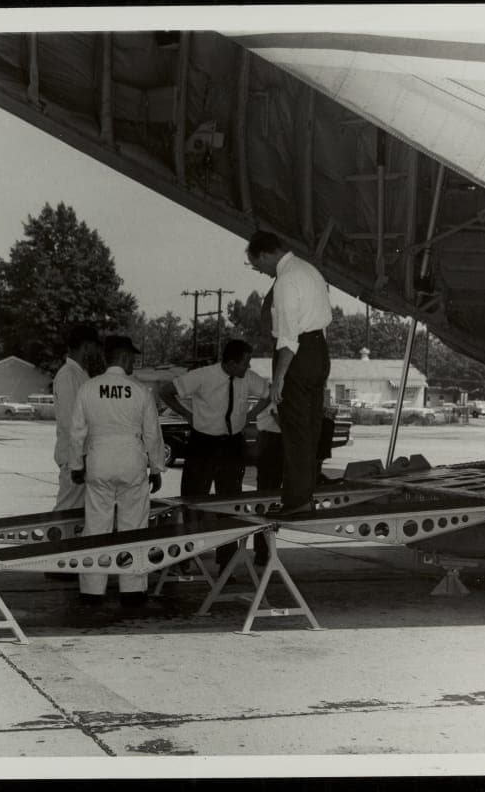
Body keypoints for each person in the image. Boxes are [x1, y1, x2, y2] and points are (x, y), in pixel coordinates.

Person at [158, 338, 270, 574]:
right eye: (244, 363)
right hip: (203, 444)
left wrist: (251, 415)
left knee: (230, 506)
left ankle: (226, 565)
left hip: (232, 446)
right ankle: (185, 559)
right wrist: (187, 415)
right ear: (230, 363)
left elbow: (269, 394)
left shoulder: (247, 379)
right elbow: (166, 391)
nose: (248, 368)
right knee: (193, 503)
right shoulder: (203, 376)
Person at [68, 335, 165, 605]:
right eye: (132, 357)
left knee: (96, 526)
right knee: (133, 526)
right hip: (131, 461)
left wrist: (77, 465)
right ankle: (132, 590)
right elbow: (152, 435)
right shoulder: (139, 391)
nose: (133, 362)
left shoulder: (88, 388)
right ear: (123, 358)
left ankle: (91, 590)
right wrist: (156, 468)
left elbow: (76, 433)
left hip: (98, 460)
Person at [245, 229, 332, 515]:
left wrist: (279, 377)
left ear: (266, 253)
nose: (258, 270)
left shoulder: (285, 282)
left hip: (298, 353)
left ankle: (297, 502)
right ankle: (304, 495)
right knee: (309, 428)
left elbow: (288, 338)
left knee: (294, 431)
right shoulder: (310, 271)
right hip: (319, 351)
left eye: (256, 264)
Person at [52, 324, 102, 511]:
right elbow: (69, 422)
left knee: (78, 515)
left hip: (85, 456)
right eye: (96, 346)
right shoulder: (67, 375)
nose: (98, 351)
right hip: (76, 458)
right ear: (87, 346)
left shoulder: (82, 374)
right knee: (66, 512)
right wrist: (77, 461)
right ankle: (53, 541)